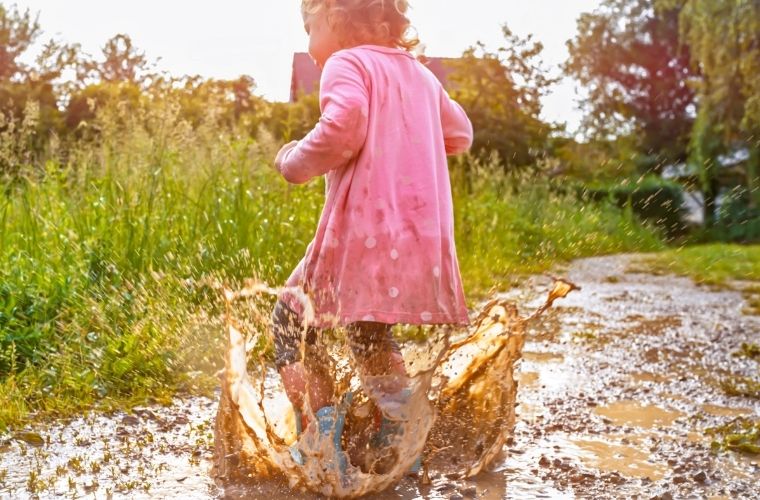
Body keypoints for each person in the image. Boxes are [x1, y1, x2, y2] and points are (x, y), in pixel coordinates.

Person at [271, 0, 473, 467]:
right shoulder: (421, 76)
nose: (309, 44)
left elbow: (343, 127)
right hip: (418, 237)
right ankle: (399, 436)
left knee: (288, 326)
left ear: (335, 20)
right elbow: (460, 134)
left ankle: (321, 438)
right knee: (370, 333)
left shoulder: (346, 61)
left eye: (309, 27)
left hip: (362, 233)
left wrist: (292, 161)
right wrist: (407, 133)